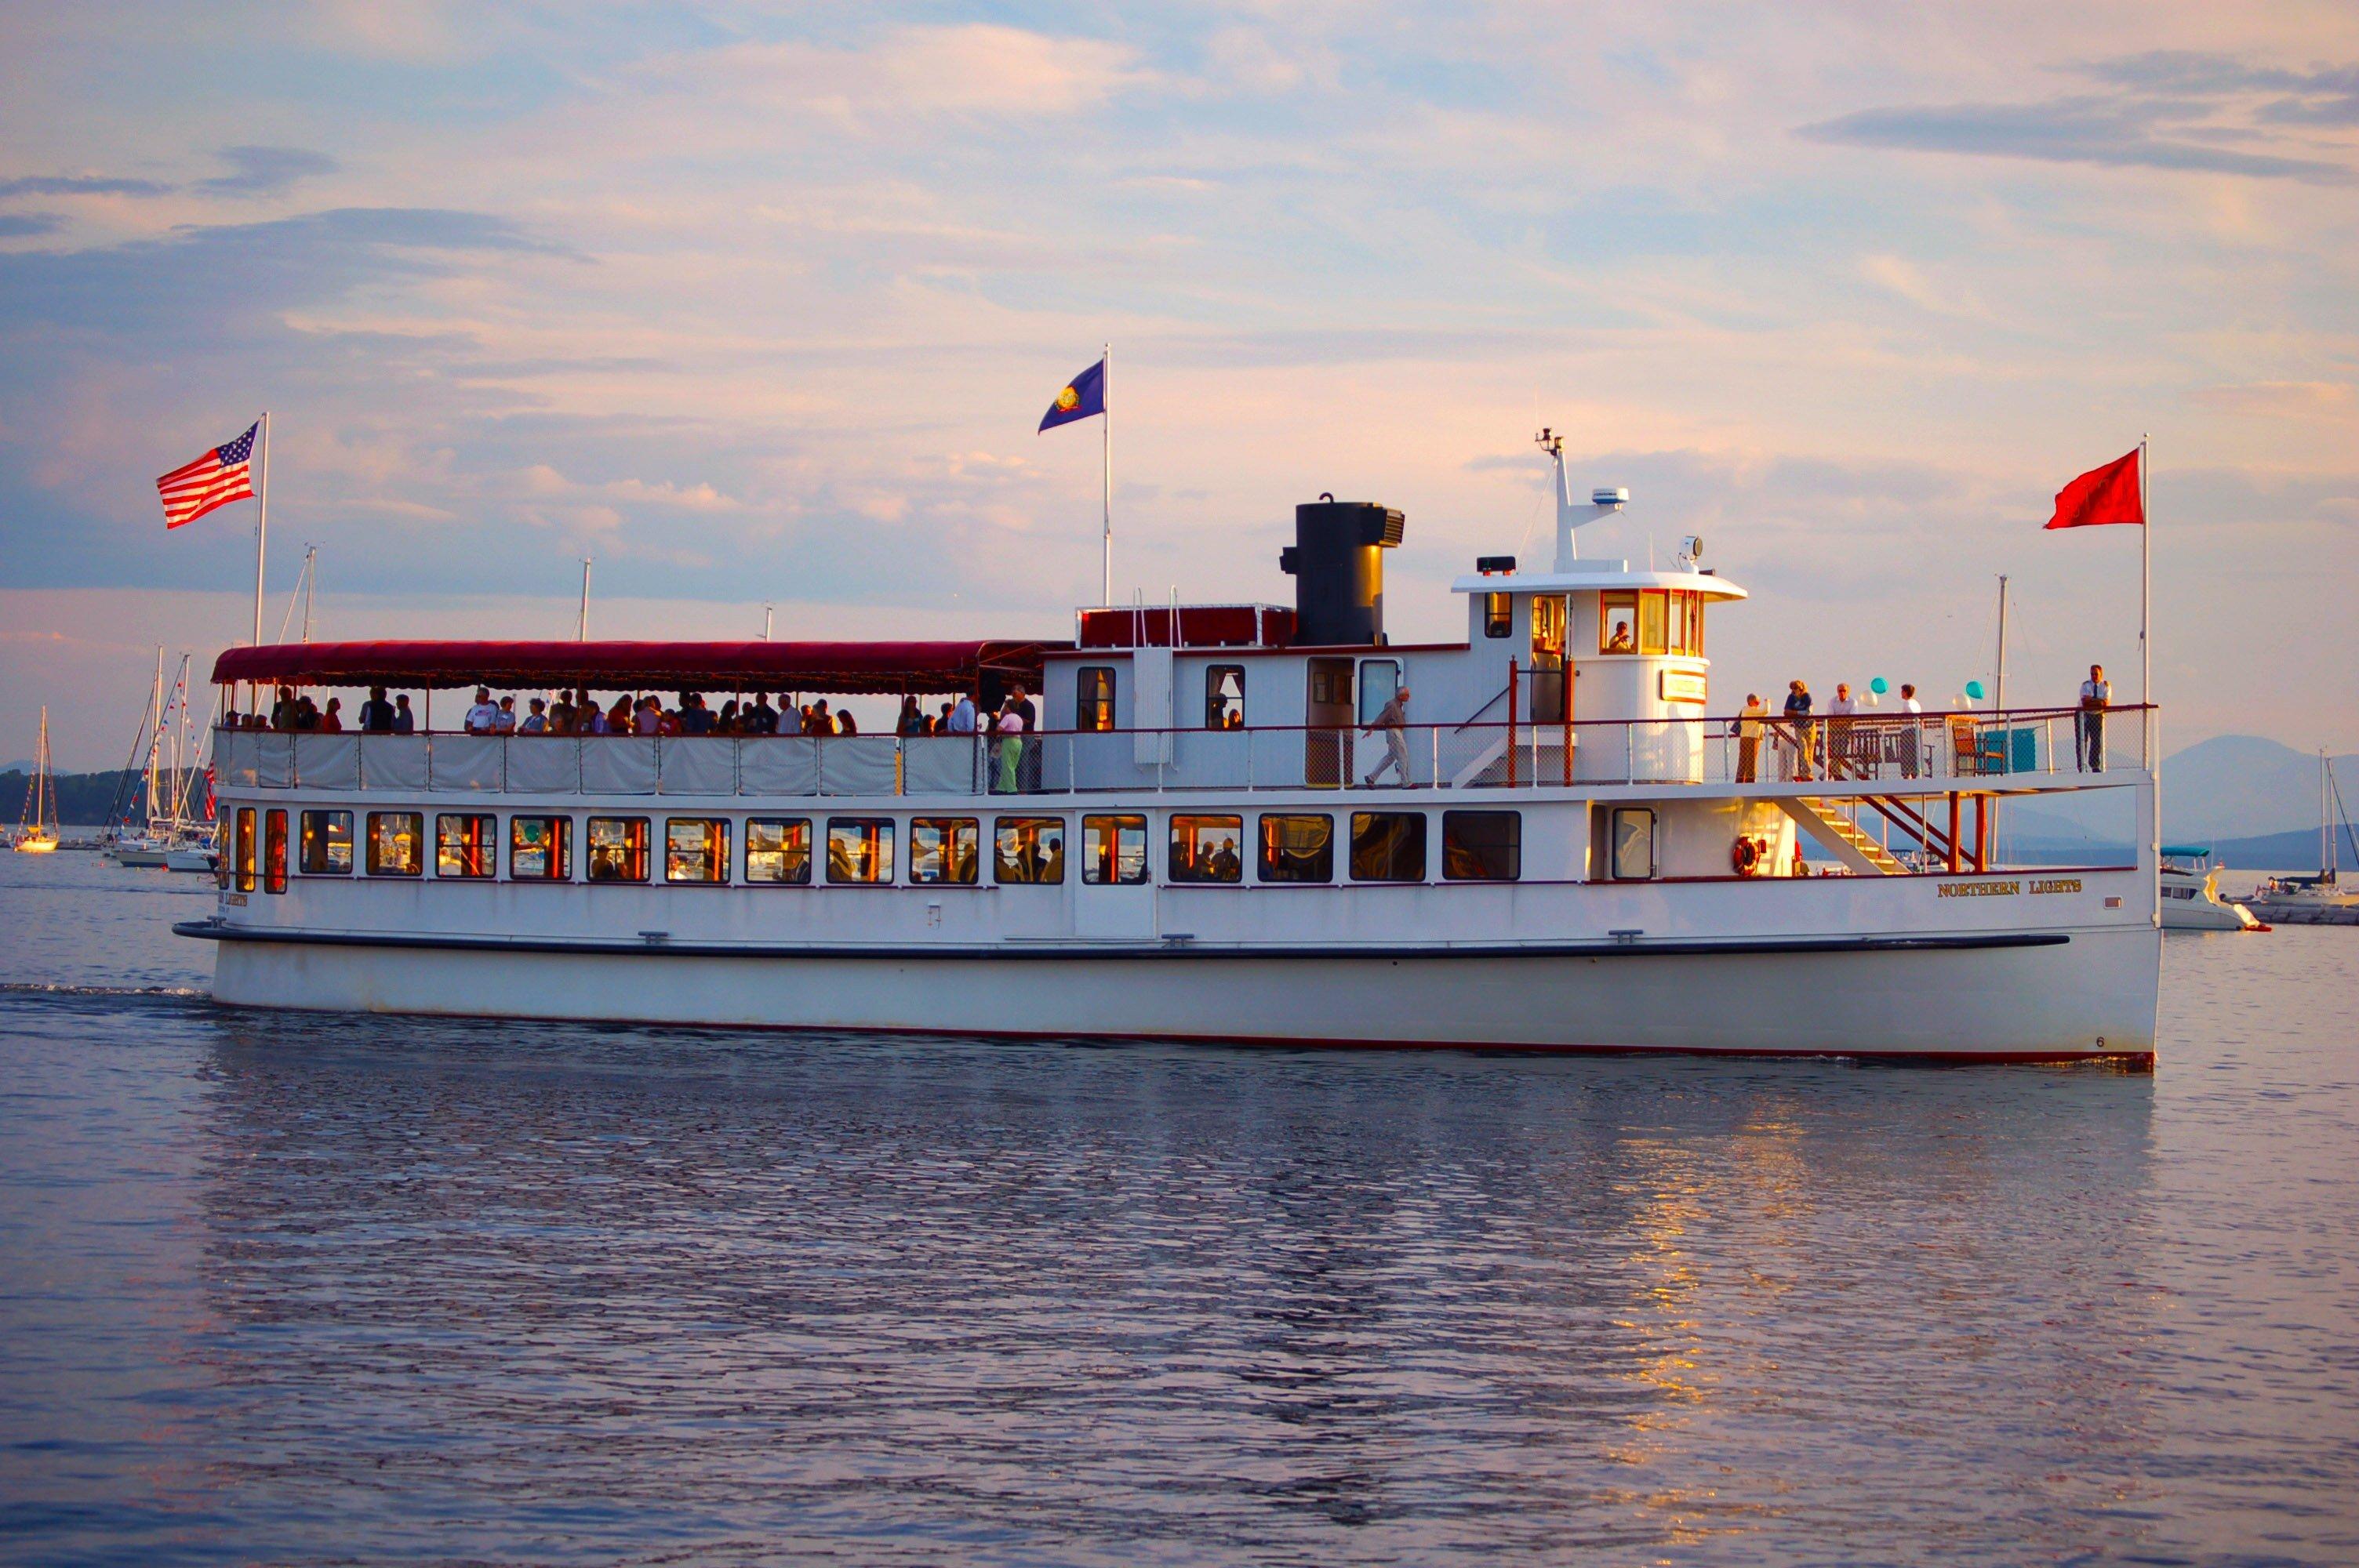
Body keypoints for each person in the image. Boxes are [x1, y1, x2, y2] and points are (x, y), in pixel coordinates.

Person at [1361, 685, 1413, 787]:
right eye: (1407, 695)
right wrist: (1372, 728)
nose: (1409, 697)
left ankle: (1371, 777)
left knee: (1391, 757)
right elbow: (1382, 716)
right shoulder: (1392, 705)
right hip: (1394, 732)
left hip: (1395, 732)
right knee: (1403, 756)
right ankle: (1406, 782)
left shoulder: (1397, 705)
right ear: (1401, 696)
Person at [2077, 663, 2110, 771]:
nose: (2094, 676)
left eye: (2096, 674)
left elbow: (2105, 704)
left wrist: (2091, 699)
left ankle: (2095, 765)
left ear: (2101, 674)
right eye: (2092, 674)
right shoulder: (2085, 686)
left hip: (2097, 715)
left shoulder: (2105, 686)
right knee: (2082, 740)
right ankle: (2082, 766)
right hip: (2083, 714)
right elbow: (2085, 703)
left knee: (2096, 740)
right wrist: (2098, 701)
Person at [1782, 681, 1814, 781]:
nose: (1793, 691)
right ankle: (1806, 773)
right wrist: (1800, 713)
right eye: (1792, 689)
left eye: (1795, 689)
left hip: (1810, 726)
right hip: (1799, 727)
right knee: (1803, 748)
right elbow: (1786, 712)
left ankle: (1806, 772)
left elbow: (1809, 712)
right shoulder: (1791, 697)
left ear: (1801, 689)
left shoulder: (1807, 697)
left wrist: (1794, 713)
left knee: (1809, 750)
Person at [994, 695, 1026, 793]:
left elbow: (999, 729)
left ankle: (1012, 789)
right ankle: (1001, 787)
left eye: (1006, 707)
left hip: (1009, 741)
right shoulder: (1019, 718)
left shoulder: (1008, 717)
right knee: (1012, 765)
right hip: (1018, 742)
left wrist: (998, 729)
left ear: (1009, 707)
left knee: (1007, 765)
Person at [1826, 682, 1857, 775]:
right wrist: (1843, 720)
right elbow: (1830, 718)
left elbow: (1853, 718)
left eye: (1844, 691)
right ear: (1837, 691)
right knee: (1835, 751)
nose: (1842, 693)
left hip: (1846, 730)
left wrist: (1839, 721)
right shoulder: (1832, 701)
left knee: (1841, 752)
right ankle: (1837, 773)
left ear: (1848, 692)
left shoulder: (1853, 702)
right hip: (1834, 730)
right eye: (1840, 691)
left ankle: (1834, 772)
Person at [1736, 692, 1765, 783]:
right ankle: (1750, 780)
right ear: (1751, 701)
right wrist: (1768, 702)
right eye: (1757, 702)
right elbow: (1766, 711)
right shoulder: (1749, 710)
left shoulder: (1746, 710)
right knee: (1751, 759)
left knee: (1744, 758)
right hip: (1752, 737)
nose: (1758, 704)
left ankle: (1740, 779)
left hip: (1744, 736)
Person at [1899, 683, 1923, 779]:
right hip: (1917, 730)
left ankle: (1906, 774)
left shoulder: (1907, 703)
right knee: (1914, 753)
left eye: (1902, 691)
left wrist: (1902, 716)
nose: (1901, 693)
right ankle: (1914, 773)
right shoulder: (1916, 703)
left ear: (1905, 692)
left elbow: (1912, 713)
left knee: (1906, 754)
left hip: (1908, 731)